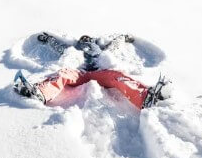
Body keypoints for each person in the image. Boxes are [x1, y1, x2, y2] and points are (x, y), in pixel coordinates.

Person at [13, 33, 172, 109]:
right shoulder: (73, 48)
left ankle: (145, 97)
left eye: (87, 39)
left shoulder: (100, 48)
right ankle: (40, 92)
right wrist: (48, 39)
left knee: (118, 76)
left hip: (99, 72)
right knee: (62, 74)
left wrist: (123, 38)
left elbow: (114, 47)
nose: (85, 40)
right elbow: (58, 47)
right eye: (83, 39)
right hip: (79, 73)